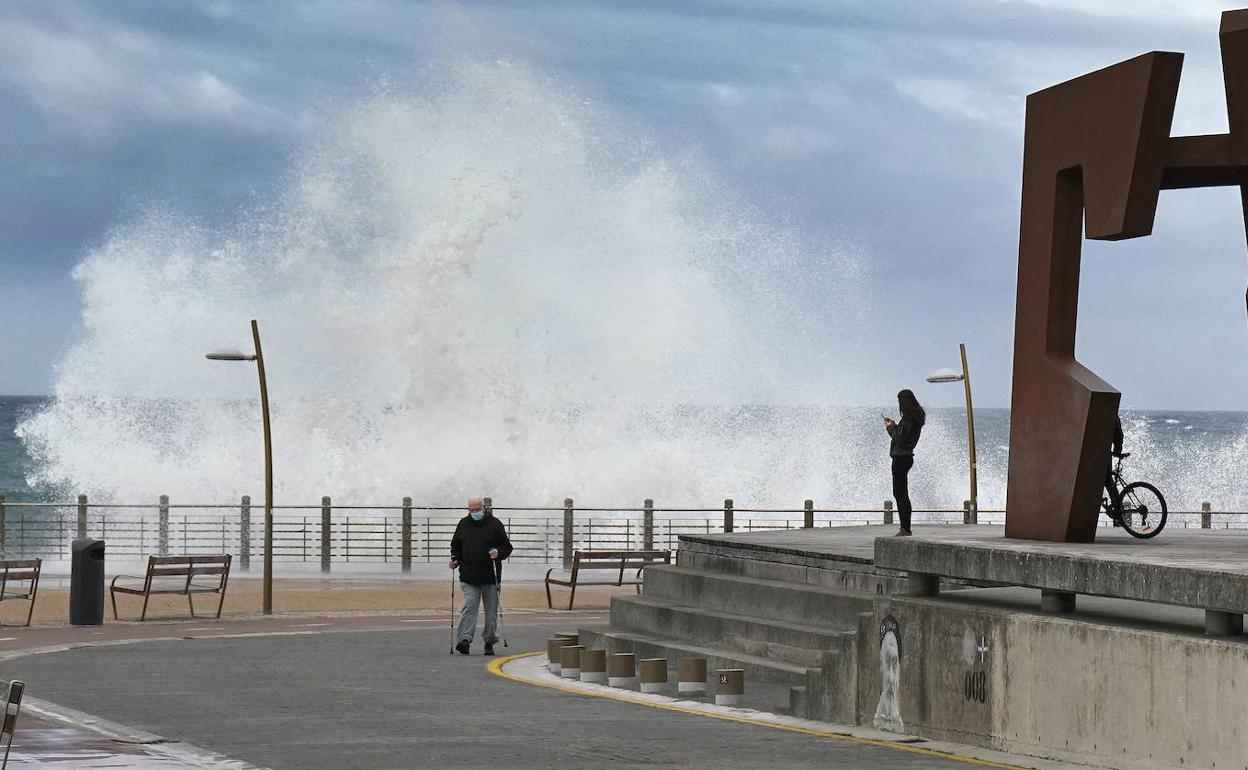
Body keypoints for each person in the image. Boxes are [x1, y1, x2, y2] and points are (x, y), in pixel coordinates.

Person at [449, 496, 513, 655]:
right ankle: (464, 640)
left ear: (484, 507)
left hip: (491, 576)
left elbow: (507, 547)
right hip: (469, 575)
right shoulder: (463, 524)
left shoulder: (495, 524)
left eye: (478, 509)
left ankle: (489, 641)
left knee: (491, 611)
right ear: (468, 509)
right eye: (472, 510)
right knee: (469, 608)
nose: (475, 512)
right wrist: (455, 559)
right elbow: (456, 546)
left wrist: (498, 552)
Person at [883, 389, 925, 537]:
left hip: (900, 458)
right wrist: (895, 426)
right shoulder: (916, 418)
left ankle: (905, 529)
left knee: (900, 494)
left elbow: (898, 439)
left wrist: (890, 428)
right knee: (902, 493)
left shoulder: (907, 420)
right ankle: (905, 527)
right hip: (908, 457)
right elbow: (902, 434)